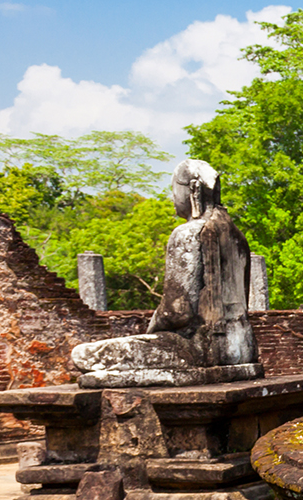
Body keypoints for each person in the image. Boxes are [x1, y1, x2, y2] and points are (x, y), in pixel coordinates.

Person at [71, 159, 258, 386]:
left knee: (85, 355)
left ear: (193, 190)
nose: (173, 199)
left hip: (200, 348)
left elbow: (177, 311)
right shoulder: (238, 237)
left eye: (174, 191)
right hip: (244, 347)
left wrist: (153, 328)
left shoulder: (188, 233)